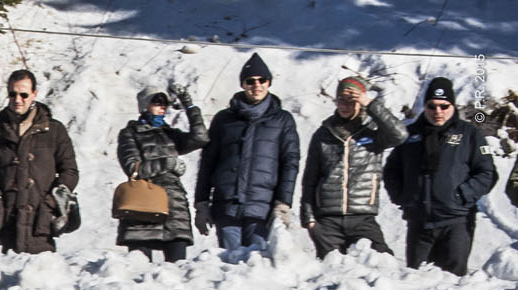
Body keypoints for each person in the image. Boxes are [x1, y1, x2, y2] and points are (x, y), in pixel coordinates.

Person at [383, 77, 497, 277]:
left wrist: (462, 195)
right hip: (419, 224)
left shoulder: (470, 134)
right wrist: (403, 196)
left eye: (444, 106)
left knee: (453, 287)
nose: (438, 111)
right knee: (415, 284)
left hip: (455, 223)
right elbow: (391, 171)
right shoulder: (409, 135)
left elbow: (487, 173)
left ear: (452, 106)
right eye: (432, 106)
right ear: (425, 106)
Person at [193, 52, 300, 250]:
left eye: (262, 80)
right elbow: (208, 161)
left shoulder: (282, 120)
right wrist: (201, 202)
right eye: (250, 81)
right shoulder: (224, 119)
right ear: (243, 84)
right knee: (230, 265)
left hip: (262, 205)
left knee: (256, 265)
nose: (256, 85)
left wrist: (283, 203)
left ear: (269, 83)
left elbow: (290, 163)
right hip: (226, 204)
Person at [298, 77, 404, 259]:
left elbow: (400, 134)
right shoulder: (323, 133)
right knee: (331, 276)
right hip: (328, 220)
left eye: (351, 100)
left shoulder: (373, 132)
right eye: (341, 100)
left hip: (362, 217)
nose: (345, 105)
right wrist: (309, 219)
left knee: (381, 263)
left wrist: (370, 103)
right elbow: (310, 178)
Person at [0, 69, 78, 255]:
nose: (18, 99)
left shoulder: (54, 131)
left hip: (40, 226)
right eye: (12, 94)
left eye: (24, 94)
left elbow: (69, 171)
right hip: (2, 224)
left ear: (34, 94)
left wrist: (51, 201)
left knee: (37, 281)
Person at [115, 83, 207, 262]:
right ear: (144, 105)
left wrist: (189, 106)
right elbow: (133, 168)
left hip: (174, 208)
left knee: (178, 270)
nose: (162, 105)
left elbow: (200, 138)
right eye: (156, 101)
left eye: (164, 102)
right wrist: (168, 163)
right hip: (142, 207)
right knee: (138, 269)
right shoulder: (130, 133)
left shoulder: (169, 134)